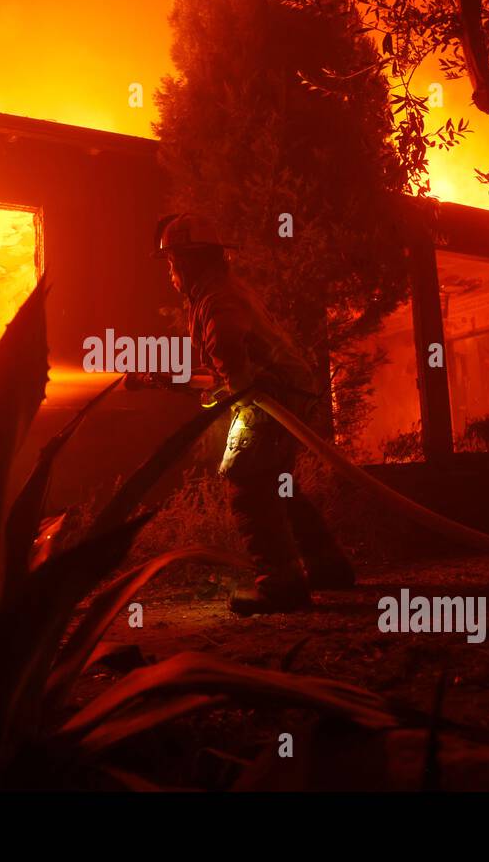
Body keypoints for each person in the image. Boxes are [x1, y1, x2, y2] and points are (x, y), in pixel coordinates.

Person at [150, 213, 352, 615]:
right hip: (286, 391)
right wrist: (179, 379)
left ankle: (282, 584)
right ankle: (327, 566)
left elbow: (226, 345)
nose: (171, 271)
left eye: (173, 261)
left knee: (245, 479)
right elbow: (228, 365)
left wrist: (237, 389)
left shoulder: (215, 298)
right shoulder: (216, 290)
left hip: (274, 397)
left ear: (189, 261)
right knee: (278, 483)